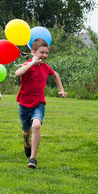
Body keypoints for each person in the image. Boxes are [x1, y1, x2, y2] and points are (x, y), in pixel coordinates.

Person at [15, 38, 68, 168]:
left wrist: (61, 90)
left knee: (37, 126)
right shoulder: (27, 64)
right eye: (41, 52)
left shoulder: (45, 67)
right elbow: (17, 73)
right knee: (26, 132)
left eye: (46, 53)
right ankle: (27, 143)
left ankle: (32, 158)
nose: (44, 56)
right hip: (24, 103)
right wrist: (32, 63)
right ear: (33, 52)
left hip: (39, 103)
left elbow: (55, 74)